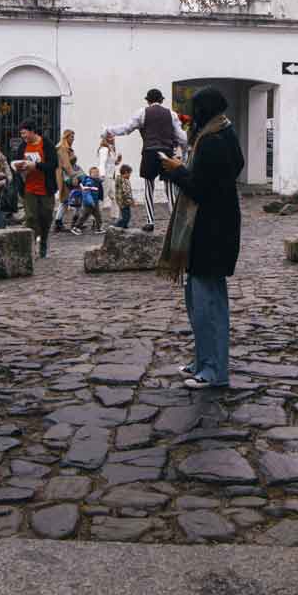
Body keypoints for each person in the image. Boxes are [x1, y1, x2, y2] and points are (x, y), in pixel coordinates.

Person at [158, 87, 244, 390]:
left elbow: (199, 187)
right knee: (202, 300)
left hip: (209, 229)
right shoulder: (226, 133)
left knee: (206, 304)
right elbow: (232, 170)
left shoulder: (211, 142)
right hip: (219, 226)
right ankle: (204, 360)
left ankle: (213, 370)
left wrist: (176, 170)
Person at [102, 88, 187, 233]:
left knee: (149, 186)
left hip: (149, 151)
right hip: (166, 152)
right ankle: (175, 221)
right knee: (170, 187)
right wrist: (184, 153)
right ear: (161, 100)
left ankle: (150, 221)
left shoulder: (142, 113)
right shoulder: (171, 114)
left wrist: (108, 130)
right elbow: (182, 138)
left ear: (148, 101)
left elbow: (126, 128)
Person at [13, 119, 58, 258]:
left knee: (46, 217)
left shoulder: (46, 144)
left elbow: (53, 165)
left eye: (24, 133)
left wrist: (36, 166)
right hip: (29, 188)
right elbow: (17, 163)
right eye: (21, 134)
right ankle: (30, 247)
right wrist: (18, 167)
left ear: (32, 131)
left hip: (46, 188)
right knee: (31, 218)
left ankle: (43, 242)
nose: (23, 136)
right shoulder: (22, 147)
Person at [53, 130, 78, 232]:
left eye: (73, 136)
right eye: (71, 137)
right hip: (65, 176)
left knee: (68, 199)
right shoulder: (62, 149)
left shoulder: (66, 148)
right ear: (66, 137)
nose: (73, 139)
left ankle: (63, 222)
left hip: (66, 175)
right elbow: (66, 165)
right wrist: (74, 176)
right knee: (65, 199)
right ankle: (58, 223)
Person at [71, 167, 105, 234]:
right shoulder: (89, 181)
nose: (96, 174)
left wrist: (104, 178)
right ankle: (76, 227)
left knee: (98, 215)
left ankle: (99, 228)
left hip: (95, 202)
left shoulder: (96, 180)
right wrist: (90, 201)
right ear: (90, 174)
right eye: (94, 173)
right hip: (88, 203)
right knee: (84, 215)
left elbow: (100, 182)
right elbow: (87, 193)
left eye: (97, 172)